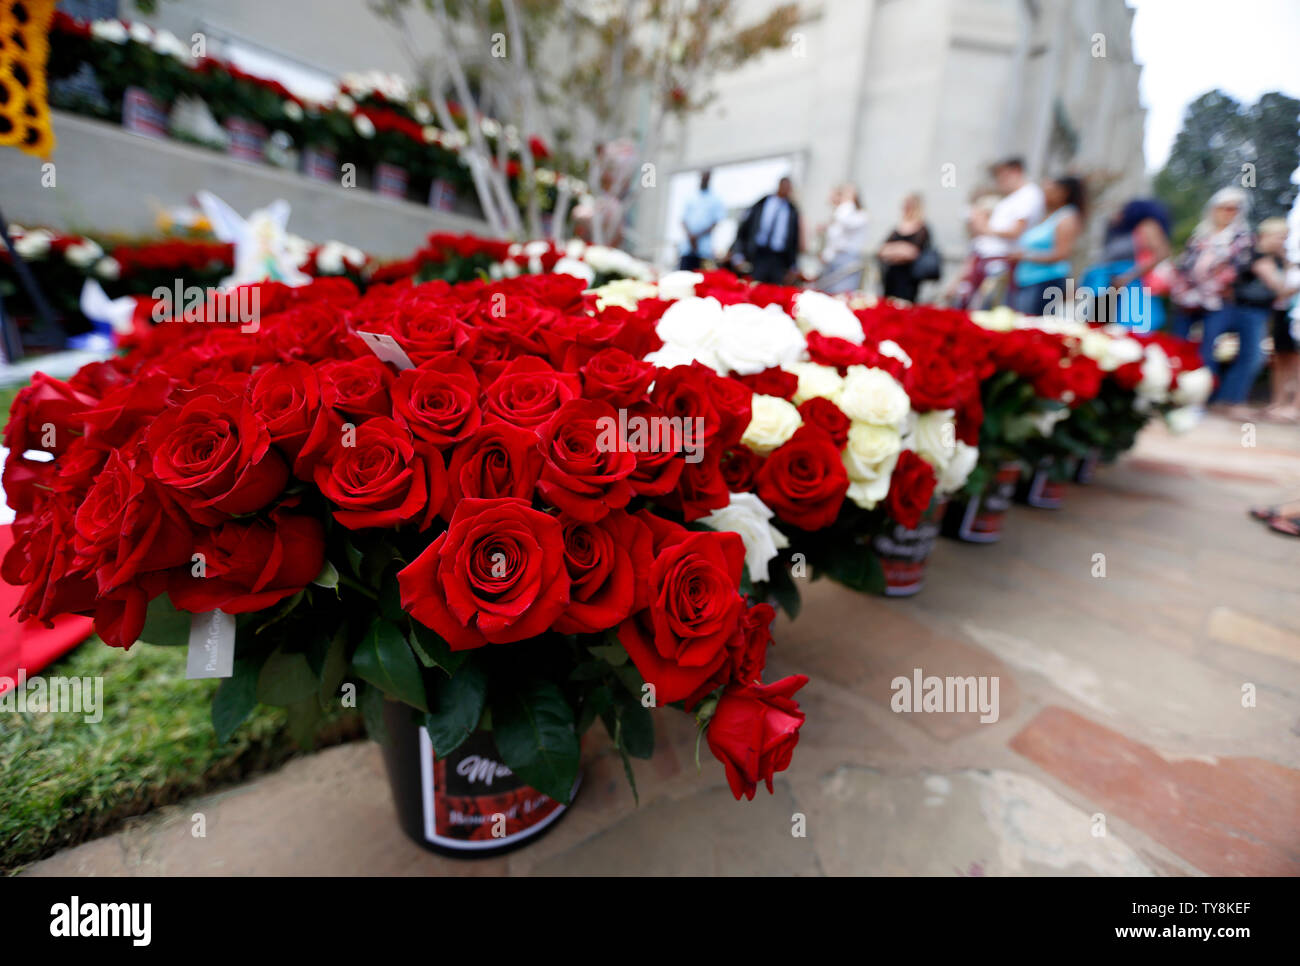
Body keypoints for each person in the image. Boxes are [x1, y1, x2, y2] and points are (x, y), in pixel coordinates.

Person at [1206, 216, 1298, 412]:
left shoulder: (1274, 258)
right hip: (1247, 311)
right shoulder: (1258, 257)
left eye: (1285, 238)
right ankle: (1229, 401)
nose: (1282, 242)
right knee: (1252, 357)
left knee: (1249, 356)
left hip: (1258, 312)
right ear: (1266, 235)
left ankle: (1227, 400)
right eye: (1279, 237)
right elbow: (1280, 289)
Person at [1169, 187, 1252, 341]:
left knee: (1209, 348)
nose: (1227, 213)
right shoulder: (1200, 235)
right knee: (1178, 344)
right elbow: (1184, 265)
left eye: (1233, 209)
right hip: (1187, 300)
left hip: (1218, 302)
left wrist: (1213, 285)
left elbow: (1239, 269)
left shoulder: (1242, 239)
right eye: (1223, 208)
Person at [1079, 199, 1171, 330]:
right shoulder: (1120, 230)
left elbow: (1162, 253)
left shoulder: (1147, 226)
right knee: (1099, 326)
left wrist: (1129, 276)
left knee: (1130, 327)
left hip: (1130, 283)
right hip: (1107, 283)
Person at [968, 157, 1045, 306]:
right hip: (989, 259)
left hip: (1001, 262)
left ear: (1015, 171)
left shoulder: (1029, 194)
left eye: (1002, 175)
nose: (999, 180)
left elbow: (1017, 230)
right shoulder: (1014, 197)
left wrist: (985, 228)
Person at [1009, 175, 1085, 317]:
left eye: (1050, 191)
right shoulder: (1049, 216)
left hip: (1045, 282)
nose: (1045, 194)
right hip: (1027, 280)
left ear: (1063, 193)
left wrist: (1025, 255)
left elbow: (1062, 253)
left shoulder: (1067, 217)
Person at [734, 177, 802, 284]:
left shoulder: (791, 210)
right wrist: (738, 254)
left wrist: (793, 265)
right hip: (758, 254)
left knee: (774, 290)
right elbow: (744, 230)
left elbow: (794, 239)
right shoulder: (762, 204)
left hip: (779, 258)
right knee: (753, 285)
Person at [877, 192, 933, 302]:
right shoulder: (898, 227)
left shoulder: (922, 228)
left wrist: (893, 249)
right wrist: (900, 248)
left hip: (908, 278)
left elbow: (911, 253)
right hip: (891, 274)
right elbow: (882, 250)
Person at [815, 184, 870, 293]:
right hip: (833, 259)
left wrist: (847, 204)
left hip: (848, 260)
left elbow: (846, 222)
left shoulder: (861, 215)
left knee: (842, 293)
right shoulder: (841, 214)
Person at [1265, 258, 1300, 422]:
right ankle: (1278, 403)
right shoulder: (1289, 259)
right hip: (1285, 312)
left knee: (1296, 360)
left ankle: (1295, 407)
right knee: (1280, 357)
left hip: (1296, 313)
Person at [678, 170, 727, 271]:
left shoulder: (716, 199)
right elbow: (683, 220)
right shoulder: (690, 197)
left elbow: (716, 222)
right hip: (687, 248)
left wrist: (697, 237)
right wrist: (691, 237)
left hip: (704, 250)